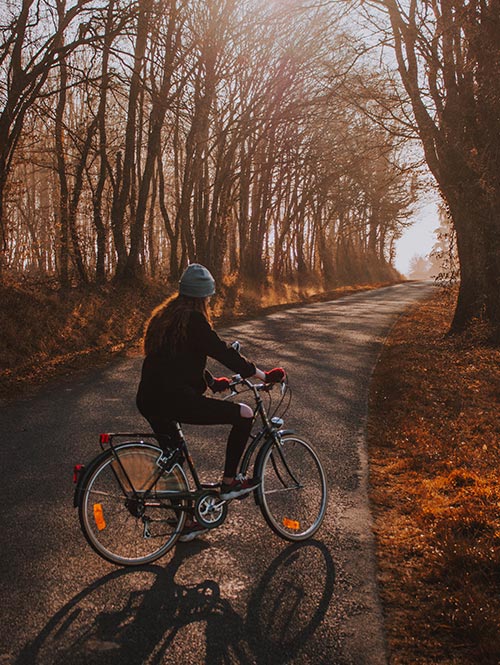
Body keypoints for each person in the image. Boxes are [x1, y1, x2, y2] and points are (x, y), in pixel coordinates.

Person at [136, 263, 285, 541]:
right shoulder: (194, 320)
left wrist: (212, 383)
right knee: (243, 413)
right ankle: (230, 482)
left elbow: (177, 360)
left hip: (149, 398)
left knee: (173, 458)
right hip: (174, 399)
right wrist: (264, 375)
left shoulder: (165, 318)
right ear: (204, 296)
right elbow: (222, 352)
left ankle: (184, 522)